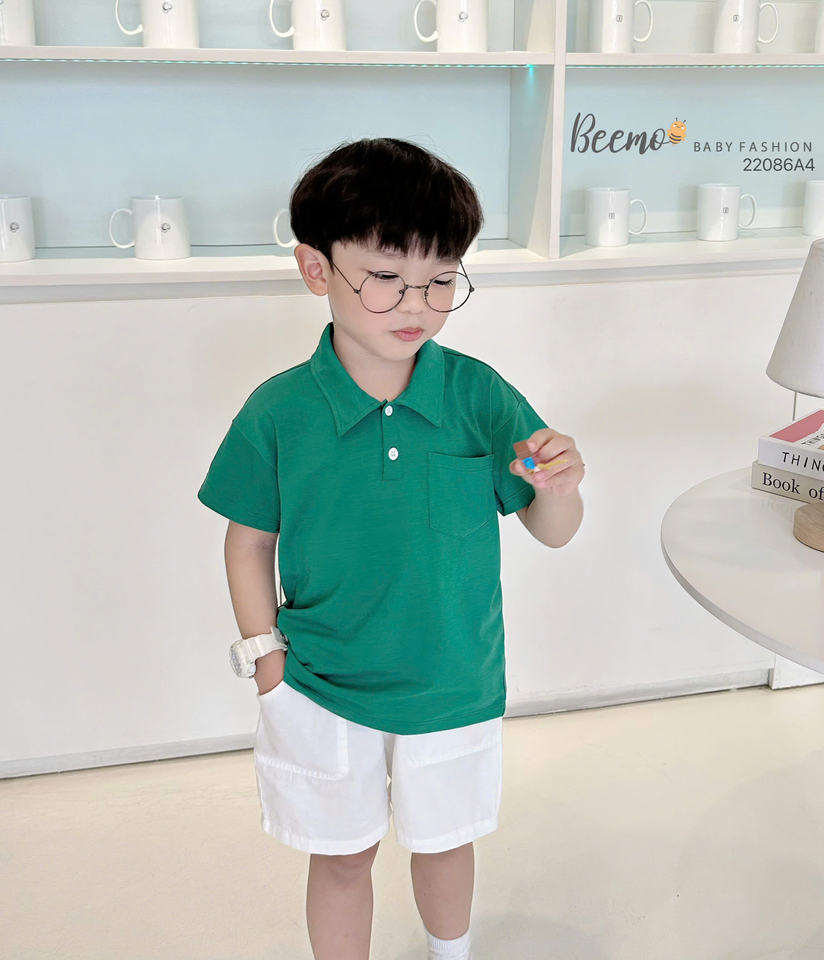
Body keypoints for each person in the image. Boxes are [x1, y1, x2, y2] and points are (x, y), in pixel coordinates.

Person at [197, 137, 585, 960]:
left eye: (442, 280)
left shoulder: (478, 394)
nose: (417, 304)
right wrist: (266, 661)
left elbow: (552, 531)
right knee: (341, 858)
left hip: (452, 682)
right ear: (316, 268)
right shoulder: (278, 412)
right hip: (320, 682)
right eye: (385, 277)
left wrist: (559, 487)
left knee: (445, 841)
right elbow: (248, 543)